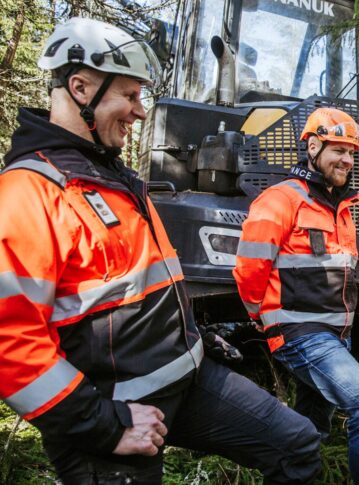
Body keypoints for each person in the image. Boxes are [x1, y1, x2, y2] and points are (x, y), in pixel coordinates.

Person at [0, 17, 320, 484]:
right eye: (129, 96)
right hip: (110, 414)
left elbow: (143, 286)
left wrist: (193, 334)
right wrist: (106, 427)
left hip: (187, 378)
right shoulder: (27, 192)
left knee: (297, 446)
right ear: (80, 87)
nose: (140, 111)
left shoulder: (116, 178)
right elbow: (11, 345)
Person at [234, 107, 359, 485]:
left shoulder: (342, 208)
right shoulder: (280, 199)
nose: (347, 160)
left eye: (351, 153)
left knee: (311, 427)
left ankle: (296, 475)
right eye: (339, 150)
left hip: (334, 336)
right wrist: (261, 317)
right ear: (314, 147)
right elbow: (249, 268)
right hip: (300, 333)